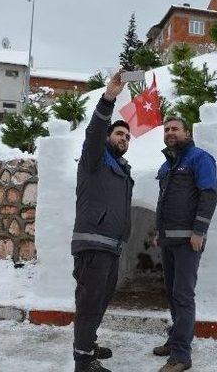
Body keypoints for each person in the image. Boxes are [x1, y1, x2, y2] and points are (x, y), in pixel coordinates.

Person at [71, 71, 134, 372]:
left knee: (100, 300)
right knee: (89, 302)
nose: (124, 138)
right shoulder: (94, 159)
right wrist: (109, 97)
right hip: (93, 245)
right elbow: (94, 131)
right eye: (119, 134)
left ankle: (89, 343)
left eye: (127, 136)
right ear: (109, 137)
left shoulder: (122, 169)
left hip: (111, 247)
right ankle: (83, 361)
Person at [152, 116, 217, 372]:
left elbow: (209, 194)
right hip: (169, 239)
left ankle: (181, 356)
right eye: (167, 129)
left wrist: (199, 231)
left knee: (183, 295)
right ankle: (175, 339)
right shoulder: (167, 165)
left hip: (189, 241)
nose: (170, 132)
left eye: (175, 129)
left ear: (187, 133)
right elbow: (163, 202)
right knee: (171, 293)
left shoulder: (200, 158)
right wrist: (160, 231)